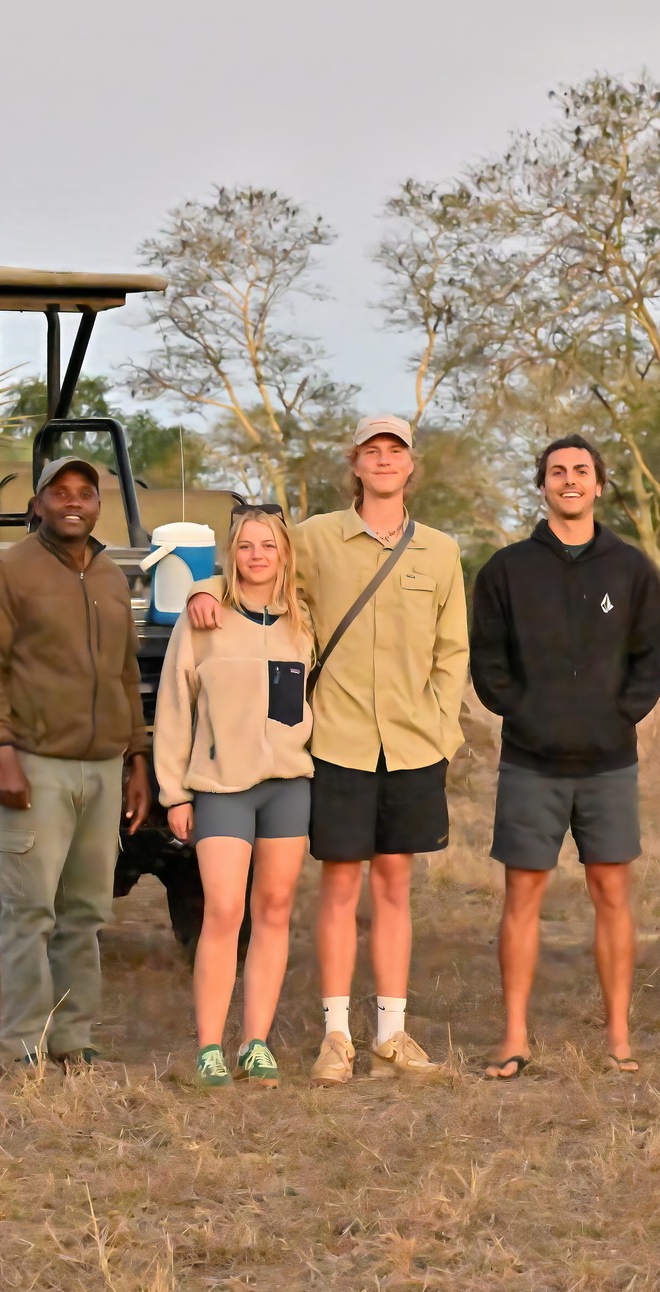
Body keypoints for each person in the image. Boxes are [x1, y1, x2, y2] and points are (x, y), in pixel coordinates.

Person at [185, 416, 469, 1084]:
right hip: (336, 740)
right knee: (340, 885)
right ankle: (337, 1035)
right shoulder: (313, 538)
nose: (383, 461)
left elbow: (452, 651)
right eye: (371, 451)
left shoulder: (440, 552)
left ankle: (392, 1034)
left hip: (412, 745)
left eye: (394, 451)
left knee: (396, 884)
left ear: (410, 465)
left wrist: (441, 730)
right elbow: (255, 573)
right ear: (356, 465)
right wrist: (204, 589)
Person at [469, 435, 660, 1080]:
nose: (570, 480)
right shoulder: (507, 568)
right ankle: (513, 1037)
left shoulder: (631, 568)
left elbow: (651, 655)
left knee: (612, 892)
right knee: (522, 894)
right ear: (543, 485)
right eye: (557, 472)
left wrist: (619, 715)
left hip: (609, 760)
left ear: (600, 485)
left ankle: (618, 1038)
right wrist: (523, 713)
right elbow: (488, 660)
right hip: (531, 759)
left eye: (581, 471)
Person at [0, 454, 153, 1071]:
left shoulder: (110, 574)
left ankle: (73, 1036)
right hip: (35, 765)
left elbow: (125, 673)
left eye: (86, 493)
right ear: (38, 503)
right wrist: (3, 754)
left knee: (86, 911)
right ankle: (21, 1044)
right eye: (60, 492)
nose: (74, 502)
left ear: (99, 505)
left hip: (102, 768)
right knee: (30, 910)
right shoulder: (5, 571)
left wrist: (139, 759)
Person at [154, 506, 315, 1089]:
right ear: (231, 554)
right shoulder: (204, 617)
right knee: (224, 912)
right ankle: (208, 1046)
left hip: (288, 787)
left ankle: (256, 1043)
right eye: (244, 546)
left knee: (274, 912)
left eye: (267, 545)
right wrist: (174, 791)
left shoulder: (303, 620)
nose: (256, 555)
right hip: (222, 786)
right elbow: (174, 707)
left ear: (283, 552)